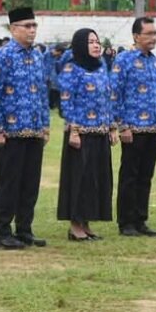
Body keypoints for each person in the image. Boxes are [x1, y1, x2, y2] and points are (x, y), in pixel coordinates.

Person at [0, 7, 50, 250]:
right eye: (27, 26)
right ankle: (3, 230)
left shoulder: (38, 56)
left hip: (34, 129)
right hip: (11, 131)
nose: (32, 30)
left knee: (30, 183)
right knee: (9, 182)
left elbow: (43, 92)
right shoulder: (1, 56)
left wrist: (45, 125)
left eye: (34, 26)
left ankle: (25, 229)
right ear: (14, 29)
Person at [57, 28, 117, 241]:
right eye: (91, 41)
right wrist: (73, 130)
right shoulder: (71, 68)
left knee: (96, 179)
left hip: (100, 132)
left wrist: (112, 127)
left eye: (97, 41)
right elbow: (66, 101)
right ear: (81, 45)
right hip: (80, 134)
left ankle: (87, 223)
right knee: (79, 179)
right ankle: (75, 226)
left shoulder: (101, 68)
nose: (96, 45)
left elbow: (107, 99)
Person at [112, 17, 156, 237]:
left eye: (155, 33)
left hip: (151, 127)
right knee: (130, 176)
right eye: (149, 33)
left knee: (145, 176)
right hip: (132, 128)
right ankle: (126, 222)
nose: (153, 38)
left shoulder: (154, 61)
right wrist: (122, 126)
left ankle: (140, 219)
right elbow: (115, 93)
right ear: (136, 36)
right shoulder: (124, 59)